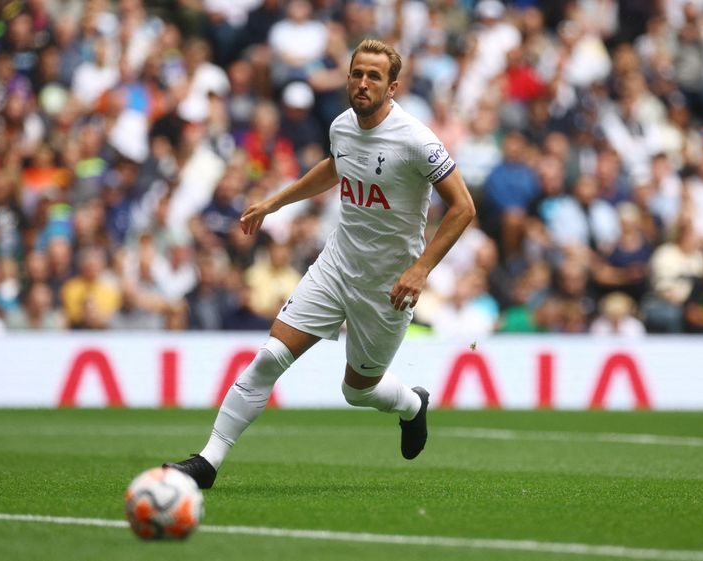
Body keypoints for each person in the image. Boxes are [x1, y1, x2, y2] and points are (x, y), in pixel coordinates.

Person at [165, 39, 476, 489]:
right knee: (269, 358)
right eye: (357, 73)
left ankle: (411, 404)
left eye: (374, 76)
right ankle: (207, 463)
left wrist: (421, 268)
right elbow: (336, 167)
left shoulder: (416, 139)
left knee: (357, 391)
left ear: (393, 87)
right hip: (336, 264)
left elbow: (463, 207)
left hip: (387, 284)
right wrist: (275, 201)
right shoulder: (342, 126)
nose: (363, 83)